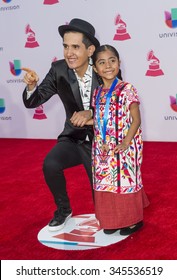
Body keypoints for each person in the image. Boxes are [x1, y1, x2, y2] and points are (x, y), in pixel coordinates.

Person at [21, 18, 101, 232]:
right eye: (66, 46)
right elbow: (33, 101)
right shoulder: (58, 69)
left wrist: (91, 112)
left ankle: (107, 210)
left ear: (90, 49)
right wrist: (31, 86)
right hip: (73, 138)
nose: (69, 53)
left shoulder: (105, 67)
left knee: (102, 202)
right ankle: (63, 210)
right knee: (51, 164)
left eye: (76, 47)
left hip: (101, 141)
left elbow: (116, 106)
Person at [86, 44, 150, 235]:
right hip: (103, 149)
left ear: (119, 63)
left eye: (112, 61)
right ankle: (111, 220)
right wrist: (84, 120)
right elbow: (100, 119)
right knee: (106, 182)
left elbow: (136, 120)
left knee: (124, 181)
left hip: (126, 146)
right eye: (102, 62)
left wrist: (125, 142)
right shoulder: (97, 93)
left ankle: (132, 220)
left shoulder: (127, 89)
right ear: (96, 68)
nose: (108, 66)